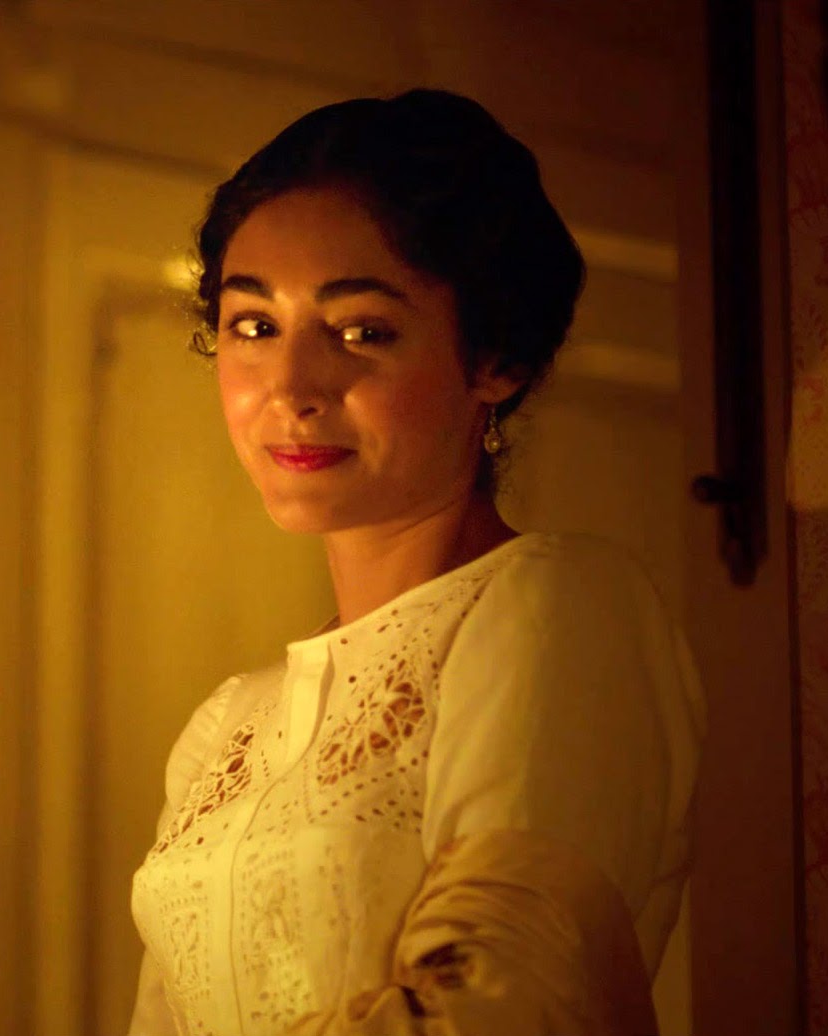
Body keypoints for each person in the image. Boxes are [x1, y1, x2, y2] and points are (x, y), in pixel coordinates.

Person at [127, 89, 705, 1036]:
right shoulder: (224, 728)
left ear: (496, 359)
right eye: (253, 326)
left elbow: (498, 1005)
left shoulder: (560, 607)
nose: (290, 389)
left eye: (362, 331)